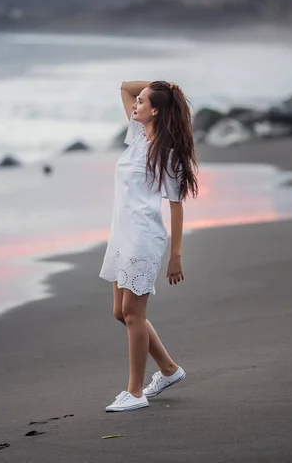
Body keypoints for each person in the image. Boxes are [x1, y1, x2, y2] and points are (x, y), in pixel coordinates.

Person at [99, 80, 198, 412]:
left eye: (143, 103)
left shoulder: (167, 154)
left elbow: (176, 204)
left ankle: (136, 392)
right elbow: (126, 87)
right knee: (121, 312)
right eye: (138, 103)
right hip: (122, 236)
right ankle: (169, 370)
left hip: (143, 238)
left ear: (154, 110)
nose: (135, 105)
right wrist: (167, 86)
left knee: (132, 313)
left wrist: (177, 256)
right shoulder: (139, 136)